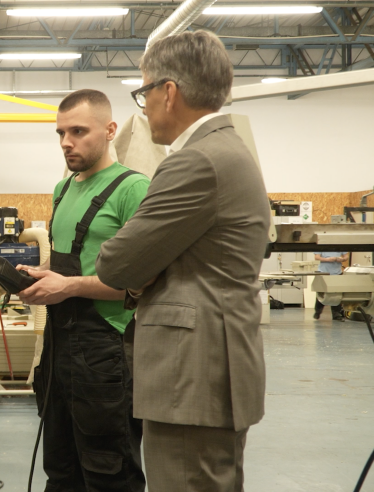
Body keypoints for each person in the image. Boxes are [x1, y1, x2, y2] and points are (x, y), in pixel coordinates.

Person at [95, 30, 271, 492]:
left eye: (144, 93)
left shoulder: (195, 162)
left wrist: (143, 273)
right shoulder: (229, 150)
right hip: (212, 369)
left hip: (190, 377)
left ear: (168, 92)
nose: (144, 106)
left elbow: (116, 264)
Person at [18, 89, 149, 492]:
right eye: (60, 133)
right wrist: (39, 275)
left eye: (78, 131)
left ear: (110, 130)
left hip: (104, 352)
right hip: (58, 348)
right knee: (60, 471)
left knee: (110, 474)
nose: (66, 142)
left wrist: (68, 286)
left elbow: (140, 284)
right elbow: (72, 261)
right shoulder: (63, 189)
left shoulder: (133, 189)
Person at [313, 252, 348, 321]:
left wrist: (342, 259)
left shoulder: (340, 246)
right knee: (322, 293)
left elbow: (346, 256)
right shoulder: (322, 247)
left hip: (337, 272)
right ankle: (318, 311)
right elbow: (317, 257)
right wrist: (328, 259)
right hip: (323, 272)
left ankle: (336, 314)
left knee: (336, 293)